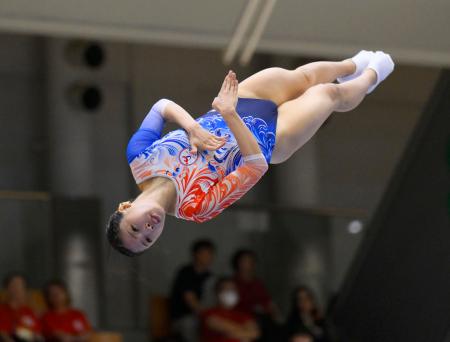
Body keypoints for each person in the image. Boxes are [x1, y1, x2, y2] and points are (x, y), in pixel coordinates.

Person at [106, 50, 395, 256]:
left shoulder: (140, 158)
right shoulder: (196, 208)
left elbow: (161, 106)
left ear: (125, 208)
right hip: (272, 138)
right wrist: (230, 116)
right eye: (147, 240)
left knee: (304, 76)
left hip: (243, 101)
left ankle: (350, 65)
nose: (148, 230)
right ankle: (370, 77)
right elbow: (256, 166)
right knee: (327, 95)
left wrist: (192, 127)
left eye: (135, 229)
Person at [169, 239, 216, 342]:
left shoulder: (210, 277)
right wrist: (207, 317)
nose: (207, 257)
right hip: (184, 318)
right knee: (191, 325)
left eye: (210, 253)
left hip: (204, 316)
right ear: (195, 254)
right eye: (204, 253)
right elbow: (191, 301)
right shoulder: (185, 273)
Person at [231, 250, 280, 341]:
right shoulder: (232, 283)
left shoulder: (258, 283)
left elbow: (268, 302)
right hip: (240, 320)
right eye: (244, 261)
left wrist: (274, 313)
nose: (247, 264)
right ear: (237, 263)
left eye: (250, 261)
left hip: (262, 320)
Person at [201, 277, 260, 342]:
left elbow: (256, 333)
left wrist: (238, 333)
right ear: (218, 293)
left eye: (233, 290)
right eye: (227, 289)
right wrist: (245, 332)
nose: (230, 292)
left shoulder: (243, 315)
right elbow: (223, 327)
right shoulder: (209, 313)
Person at [0, 273, 42, 342]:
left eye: (20, 285)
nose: (17, 288)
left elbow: (37, 333)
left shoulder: (29, 311)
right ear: (7, 289)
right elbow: (3, 334)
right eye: (13, 285)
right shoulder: (1, 310)